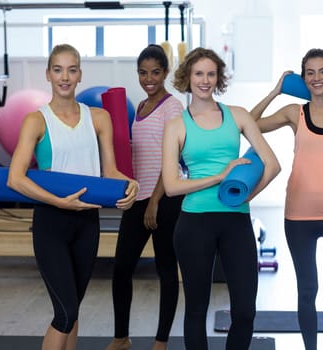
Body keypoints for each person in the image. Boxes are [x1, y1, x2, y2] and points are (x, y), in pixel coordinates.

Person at [7, 43, 139, 350]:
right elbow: (15, 178)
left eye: (71, 69)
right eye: (57, 70)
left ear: (80, 74)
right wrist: (59, 202)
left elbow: (110, 171)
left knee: (74, 308)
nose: (64, 77)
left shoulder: (99, 118)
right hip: (52, 222)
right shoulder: (36, 120)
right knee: (64, 313)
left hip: (87, 224)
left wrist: (129, 184)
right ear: (48, 75)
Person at [162, 47, 281, 350]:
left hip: (235, 222)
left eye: (211, 74)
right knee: (196, 310)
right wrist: (220, 177)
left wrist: (244, 196)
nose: (205, 80)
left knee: (245, 310)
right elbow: (172, 186)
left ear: (219, 78)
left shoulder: (238, 116)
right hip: (194, 223)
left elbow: (272, 163)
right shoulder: (177, 125)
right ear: (187, 77)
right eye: (199, 73)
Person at [250, 48, 323, 350]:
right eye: (310, 72)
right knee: (307, 289)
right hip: (298, 216)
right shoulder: (294, 113)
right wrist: (275, 91)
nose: (317, 77)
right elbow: (250, 123)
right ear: (303, 78)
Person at [106, 44, 184, 350]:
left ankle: (161, 341)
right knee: (121, 268)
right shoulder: (138, 107)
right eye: (142, 72)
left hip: (164, 201)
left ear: (165, 73)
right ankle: (121, 337)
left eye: (155, 72)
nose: (148, 78)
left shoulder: (172, 106)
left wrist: (154, 201)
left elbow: (173, 158)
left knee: (166, 270)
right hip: (137, 200)